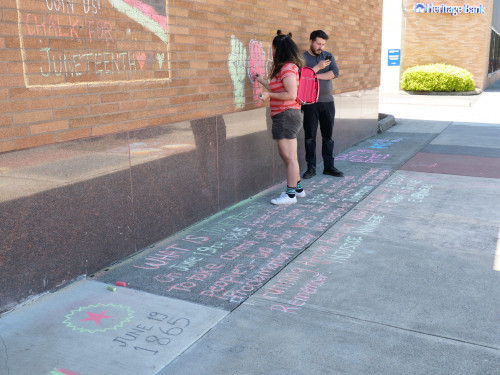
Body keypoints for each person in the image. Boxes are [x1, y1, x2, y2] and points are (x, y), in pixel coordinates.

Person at [255, 30, 305, 205]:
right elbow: (279, 88)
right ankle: (298, 189)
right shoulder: (286, 68)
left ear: (279, 49)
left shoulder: (287, 68)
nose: (272, 51)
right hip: (286, 115)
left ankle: (290, 195)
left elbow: (291, 94)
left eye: (273, 48)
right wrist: (262, 81)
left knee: (288, 156)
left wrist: (268, 96)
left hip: (286, 115)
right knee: (290, 156)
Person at [301, 30, 344, 179]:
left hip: (328, 102)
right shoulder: (303, 58)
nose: (321, 47)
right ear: (311, 41)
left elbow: (334, 73)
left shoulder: (327, 55)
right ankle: (311, 168)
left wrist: (314, 76)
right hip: (310, 103)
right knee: (310, 137)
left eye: (323, 44)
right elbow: (302, 78)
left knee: (328, 137)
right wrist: (318, 68)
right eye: (318, 43)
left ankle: (329, 166)